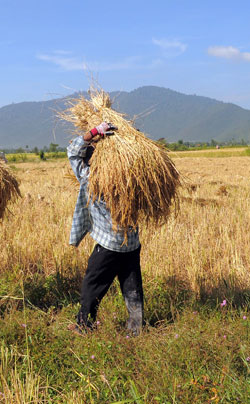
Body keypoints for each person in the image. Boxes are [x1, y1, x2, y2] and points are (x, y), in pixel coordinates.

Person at [67, 122, 144, 336]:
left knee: (92, 286)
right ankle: (136, 330)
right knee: (132, 287)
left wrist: (92, 134)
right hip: (131, 242)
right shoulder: (134, 178)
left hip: (108, 245)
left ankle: (84, 326)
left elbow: (73, 153)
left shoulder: (93, 178)